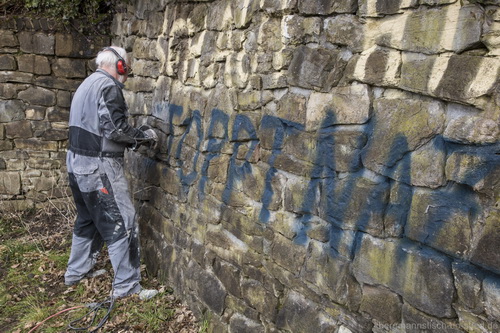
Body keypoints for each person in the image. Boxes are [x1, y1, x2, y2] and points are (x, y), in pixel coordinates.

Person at [64, 46, 158, 300]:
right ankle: (127, 286)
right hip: (99, 165)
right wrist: (143, 137)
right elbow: (116, 130)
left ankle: (75, 272)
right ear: (118, 65)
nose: (127, 70)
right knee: (123, 222)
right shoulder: (108, 87)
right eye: (126, 65)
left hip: (76, 162)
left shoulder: (87, 83)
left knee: (88, 219)